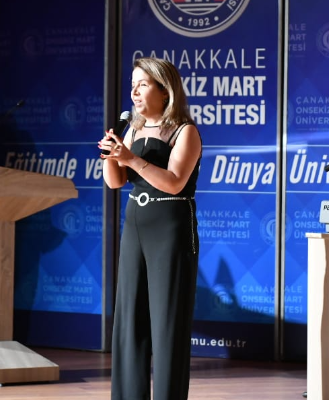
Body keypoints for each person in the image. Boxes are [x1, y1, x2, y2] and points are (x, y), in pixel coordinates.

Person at [99, 57, 202, 400]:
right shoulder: (133, 129)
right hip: (135, 226)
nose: (134, 91)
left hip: (170, 230)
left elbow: (174, 183)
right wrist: (112, 155)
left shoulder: (185, 131)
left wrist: (130, 158)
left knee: (167, 323)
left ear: (165, 90)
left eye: (142, 84)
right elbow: (116, 183)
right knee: (130, 320)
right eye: (133, 85)